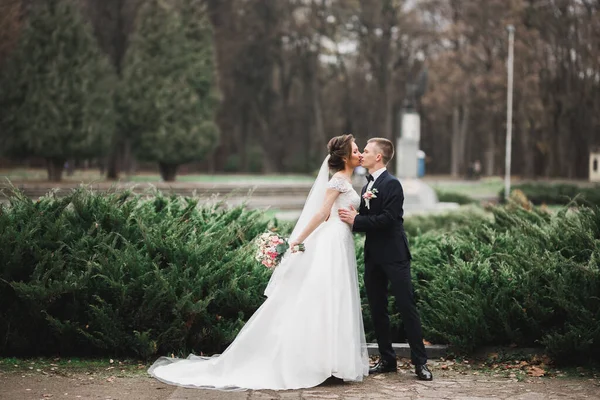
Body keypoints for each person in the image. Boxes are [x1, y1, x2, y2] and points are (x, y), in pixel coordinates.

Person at [148, 134, 369, 390]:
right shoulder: (338, 180)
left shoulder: (349, 179)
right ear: (343, 156)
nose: (359, 153)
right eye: (355, 150)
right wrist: (295, 241)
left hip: (341, 241)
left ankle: (332, 361)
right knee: (324, 299)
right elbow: (322, 212)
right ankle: (318, 362)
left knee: (336, 298)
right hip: (331, 243)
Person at [338, 137, 433, 381]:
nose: (363, 154)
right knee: (378, 309)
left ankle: (420, 363)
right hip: (373, 257)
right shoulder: (367, 185)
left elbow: (389, 219)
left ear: (378, 157)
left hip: (395, 256)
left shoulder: (393, 185)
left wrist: (356, 220)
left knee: (406, 307)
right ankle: (387, 360)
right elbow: (366, 218)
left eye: (367, 151)